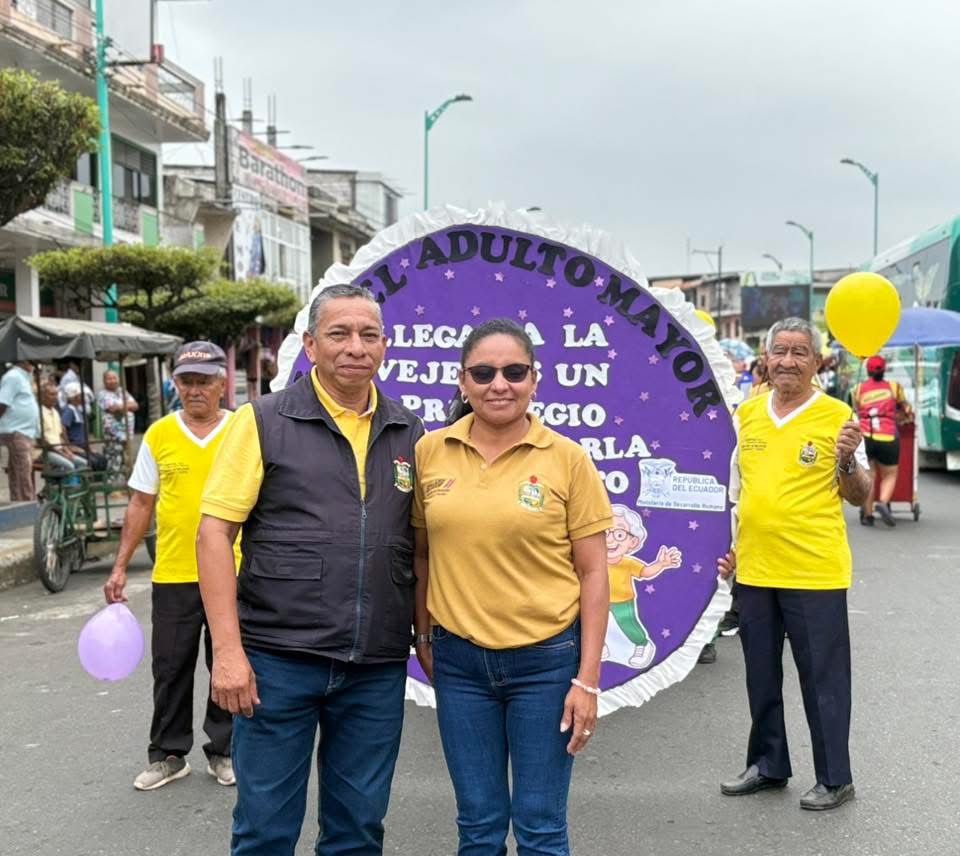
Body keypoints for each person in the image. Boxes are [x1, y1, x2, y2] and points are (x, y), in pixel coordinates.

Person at [196, 284, 424, 855]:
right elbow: (214, 535)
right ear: (310, 344)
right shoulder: (262, 420)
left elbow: (421, 545)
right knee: (264, 831)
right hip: (278, 660)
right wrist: (228, 652)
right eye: (339, 333)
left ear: (385, 345)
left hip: (374, 666)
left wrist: (425, 638)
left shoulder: (408, 430)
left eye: (369, 335)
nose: (355, 347)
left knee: (358, 831)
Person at [413, 318, 611, 855]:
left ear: (534, 380)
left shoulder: (567, 459)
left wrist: (588, 680)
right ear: (462, 381)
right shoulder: (429, 452)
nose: (499, 384)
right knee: (477, 826)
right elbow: (422, 553)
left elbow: (594, 573)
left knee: (541, 827)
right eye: (483, 373)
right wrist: (423, 636)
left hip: (546, 664)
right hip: (459, 665)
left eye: (514, 372)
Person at [718, 317, 871, 812]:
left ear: (817, 361)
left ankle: (835, 777)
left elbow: (860, 494)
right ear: (765, 359)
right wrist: (729, 550)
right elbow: (734, 493)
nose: (788, 360)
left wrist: (846, 461)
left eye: (800, 351)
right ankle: (768, 764)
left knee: (824, 680)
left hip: (815, 571)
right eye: (779, 351)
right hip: (755, 569)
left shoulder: (838, 416)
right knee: (760, 676)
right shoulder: (746, 415)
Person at [103, 342, 240, 792]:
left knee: (229, 662)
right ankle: (168, 755)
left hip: (234, 572)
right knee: (170, 667)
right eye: (186, 381)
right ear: (175, 385)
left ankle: (225, 751)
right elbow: (141, 502)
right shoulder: (159, 434)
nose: (195, 389)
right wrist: (119, 567)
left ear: (222, 383)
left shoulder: (243, 430)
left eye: (204, 381)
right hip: (174, 574)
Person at [851, 355, 912, 528]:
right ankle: (883, 502)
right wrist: (905, 415)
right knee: (889, 474)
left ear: (867, 371)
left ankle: (868, 515)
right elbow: (907, 408)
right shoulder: (894, 387)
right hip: (887, 436)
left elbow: (855, 410)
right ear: (884, 370)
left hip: (865, 436)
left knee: (868, 476)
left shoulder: (857, 389)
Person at [0, 360, 40, 501]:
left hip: (24, 432)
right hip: (16, 431)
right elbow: (2, 402)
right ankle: (25, 504)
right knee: (22, 472)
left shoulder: (24, 377)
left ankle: (21, 502)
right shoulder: (13, 376)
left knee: (20, 471)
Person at [39, 382, 87, 475]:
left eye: (56, 394)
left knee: (84, 463)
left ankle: (69, 483)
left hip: (58, 449)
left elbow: (60, 435)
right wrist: (62, 453)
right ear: (42, 396)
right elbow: (41, 441)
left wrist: (67, 451)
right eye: (52, 394)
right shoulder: (39, 412)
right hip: (45, 451)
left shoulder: (55, 412)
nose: (55, 397)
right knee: (69, 466)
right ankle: (63, 483)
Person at [97, 369, 138, 472]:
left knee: (128, 459)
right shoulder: (102, 394)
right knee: (114, 458)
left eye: (114, 378)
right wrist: (126, 405)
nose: (112, 381)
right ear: (104, 381)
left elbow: (135, 405)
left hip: (127, 432)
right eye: (109, 378)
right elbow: (113, 408)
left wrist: (121, 406)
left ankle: (127, 478)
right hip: (113, 433)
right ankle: (113, 479)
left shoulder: (121, 391)